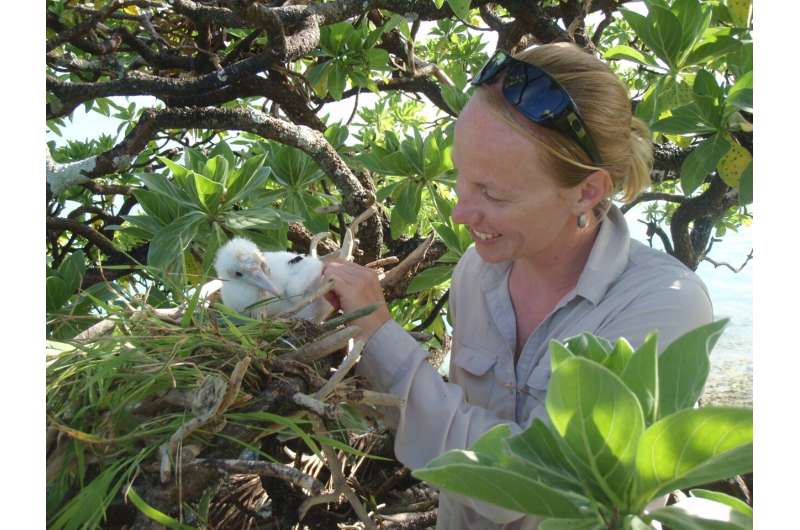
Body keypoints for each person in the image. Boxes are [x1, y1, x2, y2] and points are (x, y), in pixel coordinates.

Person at [322, 42, 713, 530]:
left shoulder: (662, 307)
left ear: (587, 191)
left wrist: (380, 336)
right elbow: (459, 434)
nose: (460, 213)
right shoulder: (476, 271)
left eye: (493, 193)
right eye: (463, 177)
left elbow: (527, 485)